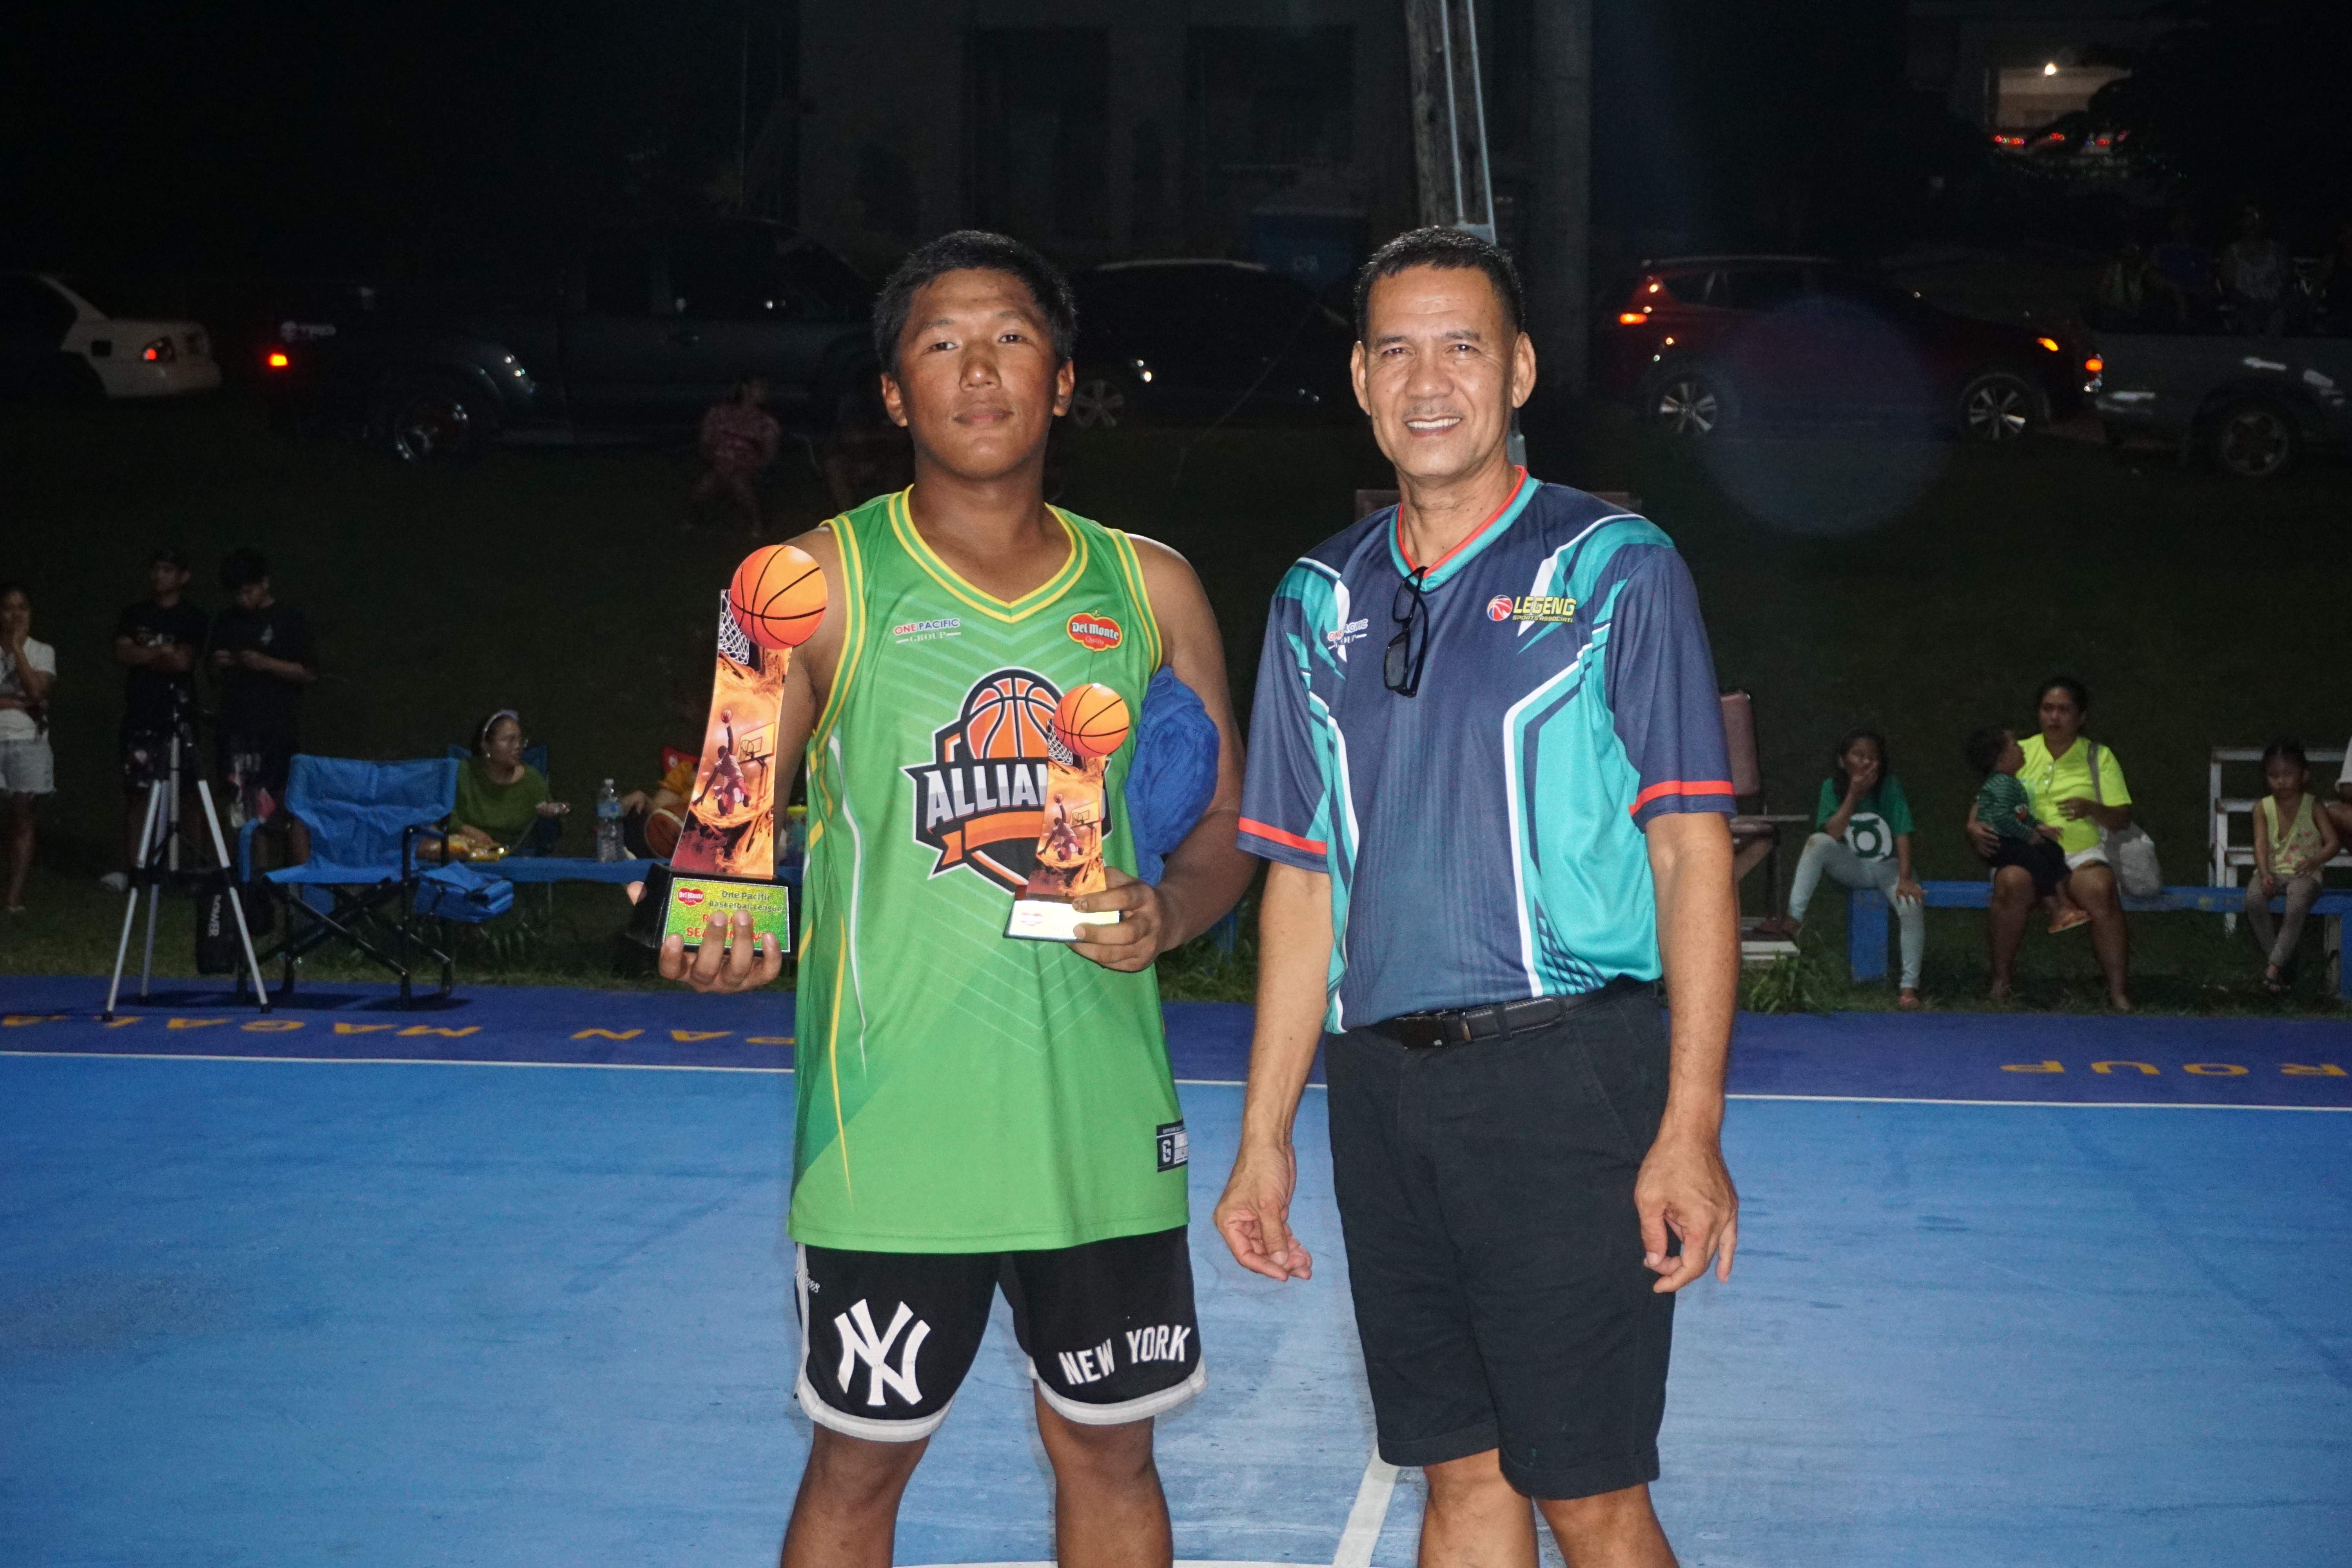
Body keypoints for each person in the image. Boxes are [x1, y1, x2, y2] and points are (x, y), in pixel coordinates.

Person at [649, 231, 1254, 1568]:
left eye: (1011, 340)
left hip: (1100, 1127)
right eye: (939, 344)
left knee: (1110, 1452)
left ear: (1063, 381)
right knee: (858, 1469)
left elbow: (1226, 829)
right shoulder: (788, 587)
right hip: (892, 1137)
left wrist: (1173, 912)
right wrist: (719, 920)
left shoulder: (1151, 583)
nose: (977, 372)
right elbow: (721, 838)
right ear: (890, 395)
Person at [1215, 227, 1739, 1568]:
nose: (1428, 378)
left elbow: (1691, 855)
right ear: (1358, 376)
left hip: (1567, 1079)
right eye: (1397, 349)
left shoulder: (1614, 568)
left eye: (1462, 346)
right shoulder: (1315, 597)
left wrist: (1688, 1128)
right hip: (1381, 1094)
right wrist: (1266, 1134)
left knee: (1590, 1496)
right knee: (1459, 1481)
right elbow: (1302, 883)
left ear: (1518, 370)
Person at [1966, 677, 2133, 1009]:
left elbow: (2122, 818)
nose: (2055, 717)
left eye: (2064, 710)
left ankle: (2118, 990)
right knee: (2011, 882)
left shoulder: (2098, 757)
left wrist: (2091, 808)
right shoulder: (2019, 752)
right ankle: (2001, 982)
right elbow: (1987, 799)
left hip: (2082, 851)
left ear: (2081, 717)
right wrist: (1973, 826)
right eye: (2048, 709)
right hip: (2026, 849)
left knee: (2101, 889)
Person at [1778, 728, 1928, 1008]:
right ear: (1842, 761)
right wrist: (1853, 795)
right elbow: (1833, 833)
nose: (1868, 763)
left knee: (1911, 905)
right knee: (1817, 843)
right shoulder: (1831, 788)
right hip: (1853, 865)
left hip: (1889, 867)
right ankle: (1794, 917)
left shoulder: (1889, 786)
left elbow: (1903, 832)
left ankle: (1909, 986)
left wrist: (1906, 878)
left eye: (1873, 757)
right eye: (1859, 756)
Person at [105, 546, 209, 891]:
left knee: (190, 795)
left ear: (183, 577)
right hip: (141, 715)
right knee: (138, 793)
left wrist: (144, 656)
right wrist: (160, 653)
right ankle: (135, 869)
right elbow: (122, 652)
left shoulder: (192, 617)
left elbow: (183, 663)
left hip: (179, 716)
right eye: (156, 569)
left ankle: (189, 870)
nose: (159, 576)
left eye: (167, 570)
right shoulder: (134, 613)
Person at [208, 548, 318, 841]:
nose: (243, 600)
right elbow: (212, 675)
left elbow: (309, 672)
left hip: (277, 727)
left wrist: (266, 663)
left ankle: (293, 879)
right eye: (237, 595)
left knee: (285, 801)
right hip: (237, 727)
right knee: (243, 804)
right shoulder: (228, 620)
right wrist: (221, 664)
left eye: (248, 592)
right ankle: (251, 877)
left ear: (264, 583)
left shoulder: (289, 619)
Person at [1965, 726, 2087, 935]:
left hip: (2012, 836)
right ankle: (2055, 910)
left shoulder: (2010, 783)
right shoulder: (2001, 786)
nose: (2021, 749)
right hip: (2001, 843)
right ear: (2002, 760)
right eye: (2015, 746)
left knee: (2052, 851)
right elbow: (2004, 820)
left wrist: (2039, 827)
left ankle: (2065, 902)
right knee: (2036, 862)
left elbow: (2020, 813)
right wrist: (2029, 835)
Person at [2243, 739, 2340, 993]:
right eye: (2274, 776)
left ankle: (2272, 969)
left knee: (2297, 901)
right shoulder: (2262, 808)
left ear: (2304, 776)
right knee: (2253, 899)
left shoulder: (2313, 806)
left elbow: (2333, 843)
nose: (2281, 782)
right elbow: (2261, 843)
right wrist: (2264, 874)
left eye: (2288, 775)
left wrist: (2315, 860)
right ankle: (2281, 964)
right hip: (2273, 869)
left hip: (2304, 873)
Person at [0, 583, 57, 914]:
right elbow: (33, 699)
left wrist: (18, 650)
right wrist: (19, 702)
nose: (16, 614)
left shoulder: (42, 651)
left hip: (27, 742)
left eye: (22, 607)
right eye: (9, 607)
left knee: (23, 819)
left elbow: (36, 691)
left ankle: (13, 898)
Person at [446, 710, 567, 855]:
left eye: (520, 741)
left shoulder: (532, 780)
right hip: (464, 855)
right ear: (486, 746)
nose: (518, 746)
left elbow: (550, 836)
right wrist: (465, 830)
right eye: (509, 740)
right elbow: (441, 813)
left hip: (515, 857)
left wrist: (550, 815)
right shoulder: (463, 772)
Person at [691, 376, 782, 535]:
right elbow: (705, 442)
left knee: (738, 480)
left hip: (746, 466)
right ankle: (695, 518)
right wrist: (714, 460)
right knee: (703, 487)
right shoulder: (720, 413)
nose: (765, 393)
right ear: (745, 389)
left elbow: (769, 455)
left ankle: (757, 522)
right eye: (759, 387)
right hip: (718, 463)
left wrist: (751, 466)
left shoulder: (766, 422)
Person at [2221, 205, 2287, 337]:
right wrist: (2249, 304)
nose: (2253, 224)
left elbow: (2287, 283)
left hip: (2274, 307)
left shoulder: (2277, 251)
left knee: (2279, 317)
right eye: (2249, 219)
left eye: (2257, 218)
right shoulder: (2232, 253)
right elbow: (2228, 288)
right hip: (2244, 307)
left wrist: (2271, 304)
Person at [2149, 209, 2214, 330]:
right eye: (2179, 220)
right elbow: (2154, 278)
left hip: (2196, 296)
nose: (2183, 225)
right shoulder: (2161, 251)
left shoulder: (2202, 253)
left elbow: (2208, 279)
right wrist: (2174, 290)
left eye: (2188, 221)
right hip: (2168, 297)